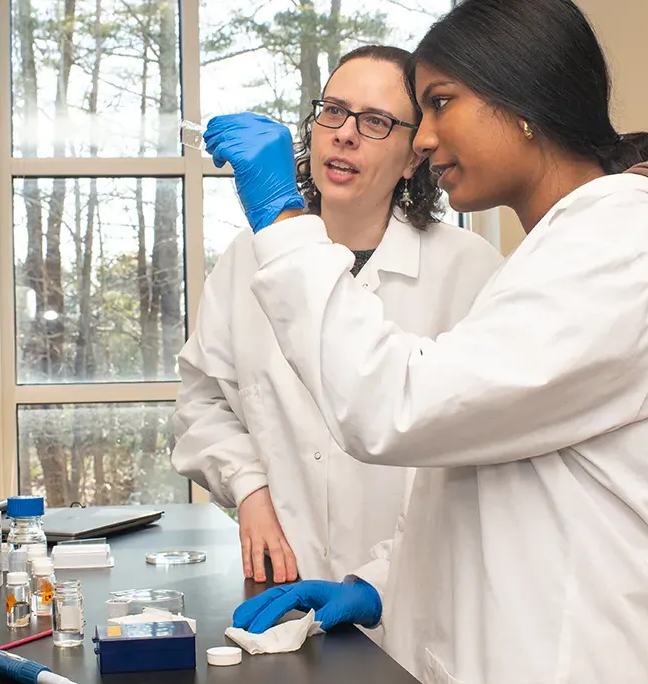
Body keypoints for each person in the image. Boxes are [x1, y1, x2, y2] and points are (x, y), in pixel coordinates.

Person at [204, 1, 648, 683]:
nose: (422, 139)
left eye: (440, 103)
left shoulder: (617, 254)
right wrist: (380, 587)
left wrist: (281, 216)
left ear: (526, 101)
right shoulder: (567, 253)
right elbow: (491, 486)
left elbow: (396, 406)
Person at [171, 46, 503, 587]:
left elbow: (478, 468)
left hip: (419, 594)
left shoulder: (468, 272)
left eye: (375, 121)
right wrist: (250, 488)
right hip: (283, 584)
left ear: (414, 156)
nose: (345, 133)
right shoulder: (248, 258)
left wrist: (378, 580)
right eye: (333, 111)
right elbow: (203, 400)